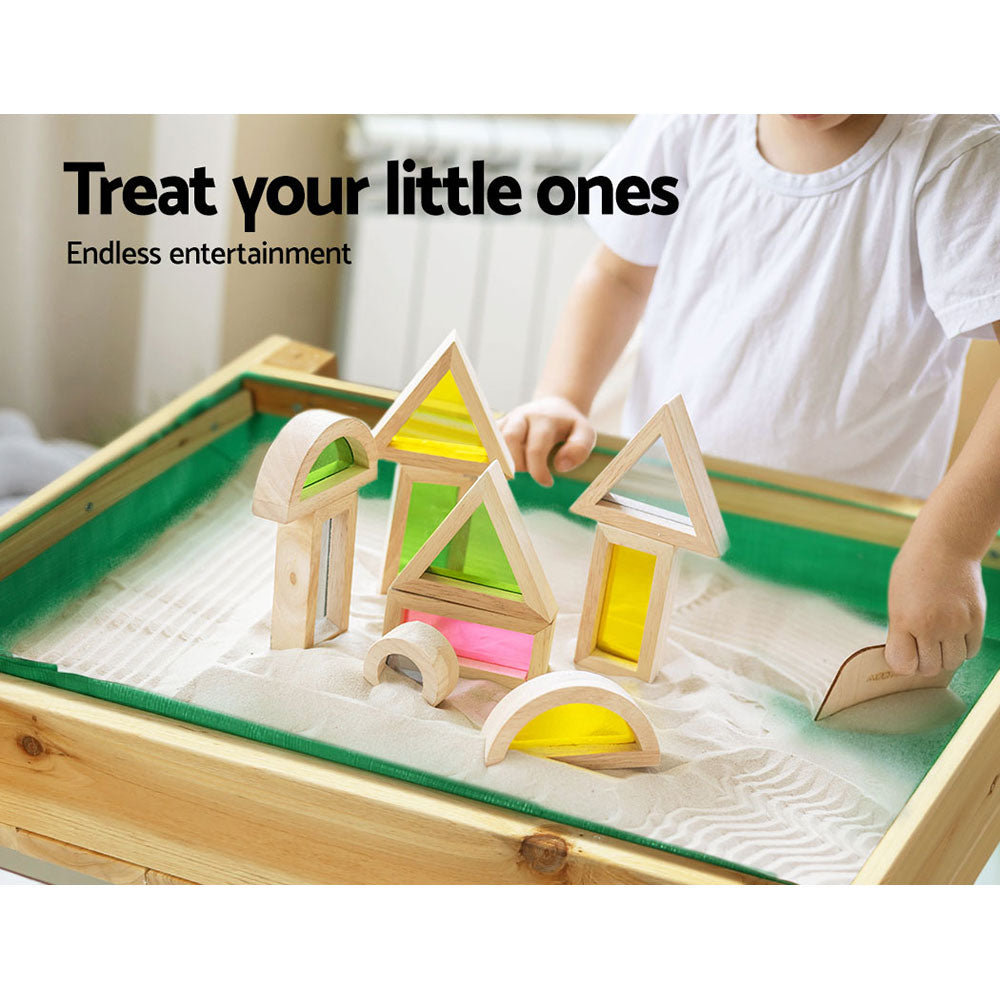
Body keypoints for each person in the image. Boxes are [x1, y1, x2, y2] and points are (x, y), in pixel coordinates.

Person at [499, 114, 1000, 679]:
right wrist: (563, 396)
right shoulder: (688, 116)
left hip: (847, 559)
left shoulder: (959, 152)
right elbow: (620, 275)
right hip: (657, 515)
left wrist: (953, 545)